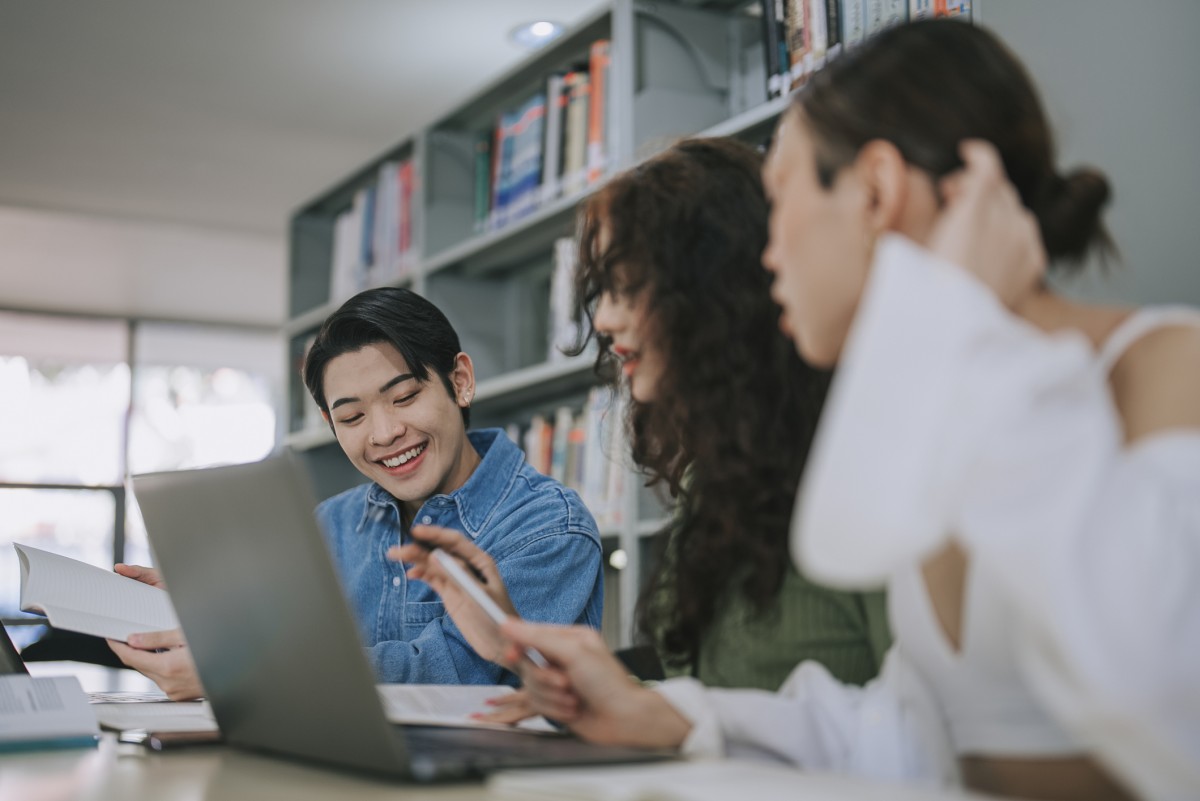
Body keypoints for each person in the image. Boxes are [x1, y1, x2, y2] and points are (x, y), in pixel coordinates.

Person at [424, 20, 1199, 801]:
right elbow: (915, 731)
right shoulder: (934, 411)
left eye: (782, 198)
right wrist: (672, 713)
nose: (766, 257)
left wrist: (968, 337)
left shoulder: (1171, 367)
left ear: (876, 191)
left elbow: (1164, 717)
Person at [398, 137, 890, 699]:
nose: (604, 319)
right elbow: (701, 699)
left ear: (720, 289)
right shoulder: (721, 477)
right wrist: (520, 651)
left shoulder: (865, 464)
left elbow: (923, 733)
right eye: (601, 290)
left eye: (627, 288)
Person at [109, 286, 605, 698]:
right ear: (330, 423)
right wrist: (209, 609)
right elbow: (291, 635)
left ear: (460, 381)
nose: (384, 433)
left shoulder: (549, 526)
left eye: (405, 397)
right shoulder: (332, 524)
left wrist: (244, 670)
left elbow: (452, 674)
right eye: (352, 417)